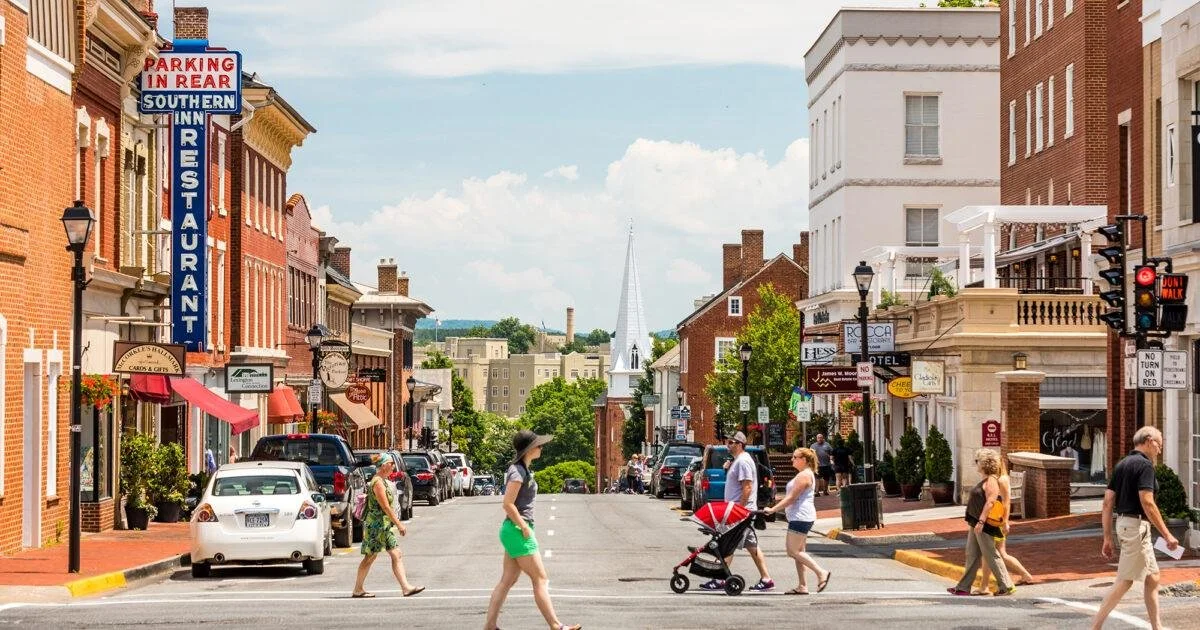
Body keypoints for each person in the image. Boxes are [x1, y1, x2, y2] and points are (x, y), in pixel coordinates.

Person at [484, 430, 581, 630]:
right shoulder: (517, 472)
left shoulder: (522, 470)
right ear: (529, 450)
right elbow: (508, 504)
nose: (541, 448)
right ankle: (556, 625)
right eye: (538, 445)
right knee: (540, 578)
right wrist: (523, 526)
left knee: (507, 580)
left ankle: (490, 626)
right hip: (517, 529)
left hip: (513, 530)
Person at [1091, 426, 1179, 630]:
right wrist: (1167, 535)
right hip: (1136, 527)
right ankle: (1095, 627)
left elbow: (1107, 502)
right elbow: (1147, 502)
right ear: (1149, 440)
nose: (1160, 449)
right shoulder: (1145, 466)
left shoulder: (1122, 464)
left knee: (1153, 577)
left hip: (1126, 525)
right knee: (1125, 580)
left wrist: (1107, 536)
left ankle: (1157, 627)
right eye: (1159, 444)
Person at [700, 431, 774, 592]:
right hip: (741, 510)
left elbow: (747, 486)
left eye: (731, 442)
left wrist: (738, 509)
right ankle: (766, 579)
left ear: (740, 444)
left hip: (741, 511)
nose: (728, 444)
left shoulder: (743, 461)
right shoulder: (738, 461)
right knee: (751, 545)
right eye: (728, 442)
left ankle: (720, 579)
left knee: (728, 543)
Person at [352, 453, 424, 599]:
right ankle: (358, 589)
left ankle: (406, 587)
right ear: (384, 465)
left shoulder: (383, 481)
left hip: (384, 526)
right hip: (377, 526)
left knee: (396, 554)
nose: (393, 467)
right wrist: (399, 524)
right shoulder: (377, 482)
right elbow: (385, 507)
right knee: (370, 557)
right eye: (391, 464)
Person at [947, 448, 1015, 597]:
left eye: (977, 461)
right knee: (971, 554)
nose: (976, 464)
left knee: (991, 554)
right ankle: (963, 587)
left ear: (984, 463)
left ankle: (1006, 585)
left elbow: (991, 501)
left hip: (984, 524)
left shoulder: (991, 480)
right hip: (975, 522)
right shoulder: (985, 479)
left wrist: (981, 521)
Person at [764, 447, 831, 595]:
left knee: (792, 551)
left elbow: (792, 498)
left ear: (804, 460)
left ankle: (821, 573)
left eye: (795, 457)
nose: (792, 459)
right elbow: (792, 497)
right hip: (801, 516)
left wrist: (773, 509)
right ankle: (802, 585)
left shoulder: (804, 476)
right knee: (800, 552)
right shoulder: (804, 475)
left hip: (801, 517)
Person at [974, 456, 1035, 593]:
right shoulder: (999, 478)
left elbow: (1006, 503)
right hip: (996, 521)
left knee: (991, 553)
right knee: (999, 553)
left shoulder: (1001, 480)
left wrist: (1005, 522)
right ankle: (1025, 575)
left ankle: (984, 586)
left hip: (996, 522)